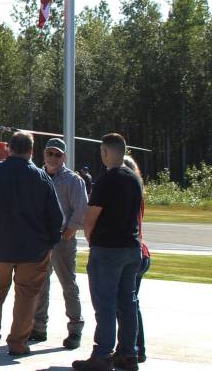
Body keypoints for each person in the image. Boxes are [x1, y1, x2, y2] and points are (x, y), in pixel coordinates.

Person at [0, 130, 63, 356]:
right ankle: (18, 342)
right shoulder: (41, 177)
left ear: (9, 148)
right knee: (27, 296)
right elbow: (56, 217)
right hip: (33, 249)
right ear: (31, 151)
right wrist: (51, 241)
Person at [73, 133, 143, 371]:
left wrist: (91, 240)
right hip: (132, 248)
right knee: (127, 303)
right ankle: (128, 353)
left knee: (105, 304)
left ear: (105, 152)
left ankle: (102, 354)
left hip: (108, 249)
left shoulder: (106, 180)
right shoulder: (134, 179)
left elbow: (90, 217)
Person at [30, 138, 88, 349]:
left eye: (58, 154)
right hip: (41, 241)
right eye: (50, 153)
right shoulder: (37, 176)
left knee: (68, 285)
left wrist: (69, 232)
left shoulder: (73, 180)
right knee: (40, 286)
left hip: (63, 241)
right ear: (43, 154)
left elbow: (81, 209)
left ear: (64, 157)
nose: (53, 157)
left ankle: (75, 329)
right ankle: (38, 328)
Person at [122, 156, 149, 365]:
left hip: (132, 254)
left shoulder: (127, 193)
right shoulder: (138, 193)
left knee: (126, 305)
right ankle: (136, 348)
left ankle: (131, 348)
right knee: (131, 303)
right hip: (141, 253)